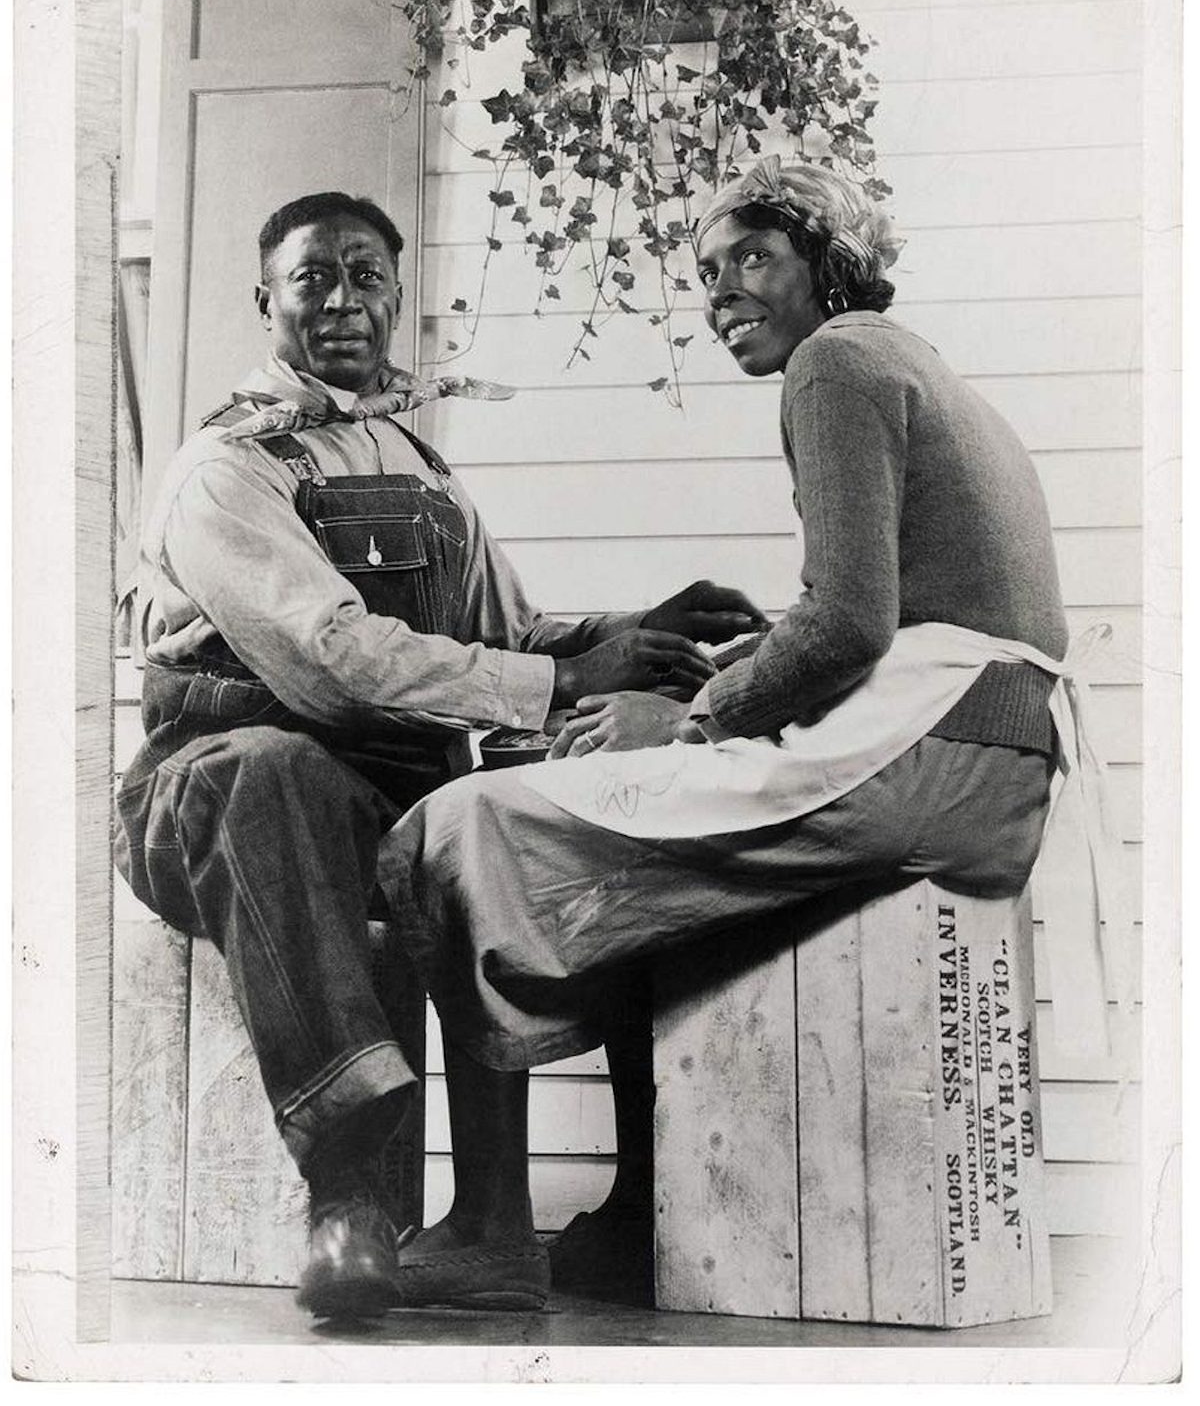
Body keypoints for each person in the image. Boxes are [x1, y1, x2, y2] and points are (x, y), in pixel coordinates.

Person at [379, 155, 1073, 1309]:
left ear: (826, 261)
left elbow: (851, 623)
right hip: (985, 763)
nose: (723, 293)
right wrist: (751, 665)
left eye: (753, 257)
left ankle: (488, 1224)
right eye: (706, 274)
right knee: (634, 854)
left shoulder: (835, 361)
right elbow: (880, 613)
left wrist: (690, 712)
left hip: (925, 760)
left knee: (468, 821)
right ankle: (635, 1220)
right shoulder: (911, 364)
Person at [112, 190, 766, 1321]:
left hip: (375, 795)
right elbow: (326, 656)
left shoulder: (417, 466)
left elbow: (506, 637)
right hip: (207, 791)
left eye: (367, 275)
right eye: (314, 277)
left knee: (504, 818)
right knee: (282, 770)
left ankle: (509, 1227)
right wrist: (561, 680)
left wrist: (632, 636)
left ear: (396, 297)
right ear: (264, 300)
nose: (344, 300)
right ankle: (350, 1195)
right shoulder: (225, 465)